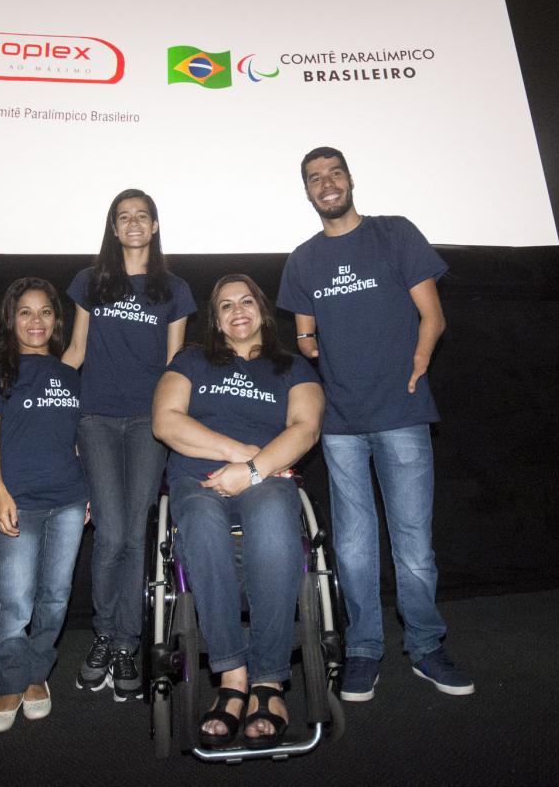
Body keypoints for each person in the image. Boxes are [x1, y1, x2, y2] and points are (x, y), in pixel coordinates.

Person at [276, 145, 474, 701]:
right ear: (308, 191)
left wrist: (419, 358)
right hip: (339, 422)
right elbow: (303, 335)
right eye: (315, 178)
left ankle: (426, 646)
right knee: (356, 543)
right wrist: (321, 357)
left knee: (412, 541)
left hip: (401, 413)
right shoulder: (304, 259)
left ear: (350, 179)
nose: (326, 183)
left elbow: (432, 314)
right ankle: (364, 650)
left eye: (334, 173)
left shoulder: (394, 234)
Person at [152, 275, 324, 748]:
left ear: (262, 310)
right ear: (217, 319)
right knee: (203, 527)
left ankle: (267, 682)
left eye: (246, 301)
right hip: (199, 476)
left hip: (266, 476)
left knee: (273, 524)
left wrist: (252, 470)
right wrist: (237, 455)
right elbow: (166, 421)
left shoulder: (291, 367)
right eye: (226, 305)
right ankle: (232, 677)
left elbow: (305, 429)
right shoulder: (190, 360)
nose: (238, 310)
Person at [62, 189, 196, 701]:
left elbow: (175, 366)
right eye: (124, 217)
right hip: (95, 420)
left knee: (137, 536)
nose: (134, 223)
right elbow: (74, 350)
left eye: (143, 215)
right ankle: (104, 635)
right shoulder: (90, 282)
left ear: (155, 226)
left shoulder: (175, 289)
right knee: (112, 534)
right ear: (113, 229)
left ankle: (125, 643)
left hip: (146, 423)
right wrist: (39, 391)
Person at [0, 278, 89, 732]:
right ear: (11, 319)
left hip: (69, 502)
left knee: (55, 598)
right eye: (25, 312)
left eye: (44, 312)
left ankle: (36, 674)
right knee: (14, 601)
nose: (35, 321)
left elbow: (76, 441)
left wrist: (88, 494)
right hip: (17, 503)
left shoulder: (70, 376)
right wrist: (0, 494)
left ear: (57, 321)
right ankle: (9, 681)